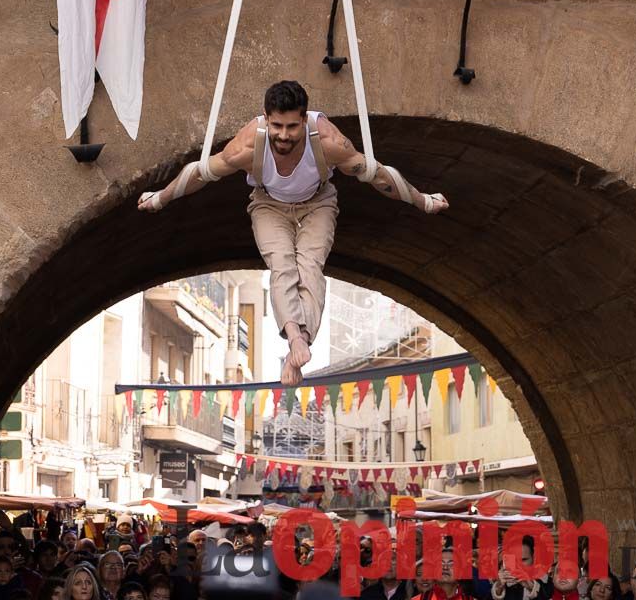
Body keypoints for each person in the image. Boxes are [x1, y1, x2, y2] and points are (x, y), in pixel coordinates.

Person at [139, 80, 449, 385]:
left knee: (311, 265)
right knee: (281, 263)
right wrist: (161, 198)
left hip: (318, 201)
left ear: (304, 119)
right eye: (277, 126)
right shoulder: (248, 146)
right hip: (268, 203)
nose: (283, 136)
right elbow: (199, 173)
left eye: (292, 127)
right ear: (266, 118)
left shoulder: (327, 142)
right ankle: (295, 339)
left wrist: (422, 200)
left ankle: (300, 343)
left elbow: (378, 175)